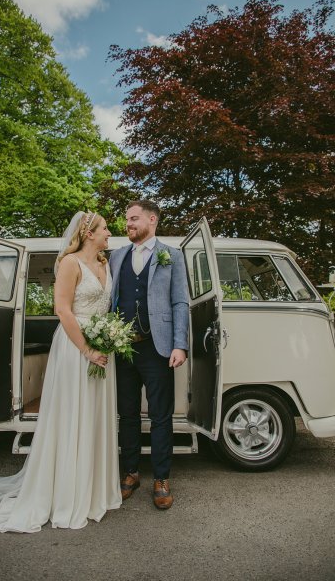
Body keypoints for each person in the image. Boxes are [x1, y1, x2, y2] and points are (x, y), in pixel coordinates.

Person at [0, 211, 122, 532]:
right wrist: (88, 349)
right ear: (89, 233)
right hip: (76, 347)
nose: (110, 233)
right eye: (105, 228)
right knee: (72, 417)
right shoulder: (69, 263)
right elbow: (62, 309)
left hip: (103, 348)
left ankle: (93, 490)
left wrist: (107, 340)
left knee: (94, 417)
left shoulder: (105, 264)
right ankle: (66, 493)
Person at [109, 200, 189, 510]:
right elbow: (111, 299)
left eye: (133, 218)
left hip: (158, 349)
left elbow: (180, 302)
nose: (127, 223)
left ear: (151, 220)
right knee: (127, 414)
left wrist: (179, 344)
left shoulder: (173, 256)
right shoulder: (117, 256)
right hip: (123, 349)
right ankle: (130, 473)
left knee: (160, 415)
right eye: (126, 219)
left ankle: (161, 478)